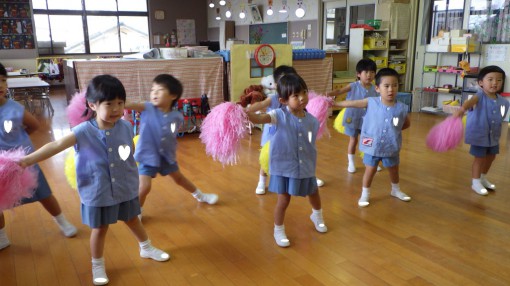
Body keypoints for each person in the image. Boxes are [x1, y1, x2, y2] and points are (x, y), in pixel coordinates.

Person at [20, 75, 169, 285]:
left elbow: (142, 123)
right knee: (100, 229)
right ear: (92, 105)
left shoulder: (126, 126)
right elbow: (55, 145)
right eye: (110, 104)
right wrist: (28, 159)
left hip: (125, 186)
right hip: (98, 189)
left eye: (120, 103)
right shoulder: (83, 131)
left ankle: (146, 248)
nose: (117, 109)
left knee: (133, 219)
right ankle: (97, 264)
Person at [0, 62, 77, 251]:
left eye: (3, 80)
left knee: (43, 193)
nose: (0, 85)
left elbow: (34, 125)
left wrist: (21, 143)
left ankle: (61, 220)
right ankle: (1, 235)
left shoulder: (15, 108)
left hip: (23, 161)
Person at [247, 73, 327, 247]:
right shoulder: (278, 115)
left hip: (305, 165)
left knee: (313, 193)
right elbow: (260, 118)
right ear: (283, 100)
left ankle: (317, 216)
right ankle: (278, 229)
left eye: (304, 93)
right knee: (283, 200)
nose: (302, 98)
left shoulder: (312, 121)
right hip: (284, 166)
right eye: (295, 96)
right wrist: (244, 113)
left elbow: (311, 141)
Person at [125, 74, 218, 219]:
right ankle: (137, 211)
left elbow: (170, 135)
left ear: (173, 95)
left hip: (166, 157)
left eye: (159, 90)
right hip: (147, 156)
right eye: (152, 89)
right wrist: (114, 98)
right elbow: (129, 104)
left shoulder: (177, 116)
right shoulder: (147, 107)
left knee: (179, 179)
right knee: (144, 187)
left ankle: (200, 195)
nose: (154, 93)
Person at [334, 68, 411, 207]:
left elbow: (405, 124)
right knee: (370, 170)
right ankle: (365, 194)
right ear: (377, 88)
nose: (390, 89)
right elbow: (351, 103)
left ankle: (396, 190)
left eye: (394, 85)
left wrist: (393, 132)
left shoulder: (402, 108)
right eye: (386, 86)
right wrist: (334, 103)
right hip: (371, 145)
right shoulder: (371, 102)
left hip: (390, 145)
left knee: (393, 169)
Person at [246, 65, 324, 195]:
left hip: (291, 132)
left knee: (299, 152)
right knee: (268, 156)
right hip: (273, 132)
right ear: (276, 84)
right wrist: (246, 111)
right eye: (283, 80)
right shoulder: (275, 98)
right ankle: (261, 181)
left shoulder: (299, 97)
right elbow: (260, 105)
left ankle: (306, 176)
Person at [453, 65, 509, 196]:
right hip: (480, 135)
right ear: (480, 83)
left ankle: (483, 178)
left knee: (491, 157)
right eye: (490, 79)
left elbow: (501, 116)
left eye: (499, 80)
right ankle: (475, 182)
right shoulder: (479, 96)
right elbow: (469, 103)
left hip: (493, 136)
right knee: (479, 158)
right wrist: (461, 110)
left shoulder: (503, 102)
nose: (495, 83)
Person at [331, 59, 380, 173]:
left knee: (368, 140)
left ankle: (369, 161)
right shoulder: (353, 86)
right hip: (352, 117)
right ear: (358, 74)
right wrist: (327, 95)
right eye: (366, 72)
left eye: (372, 72)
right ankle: (351, 162)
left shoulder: (375, 88)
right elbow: (339, 91)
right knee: (353, 140)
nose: (369, 75)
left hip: (368, 120)